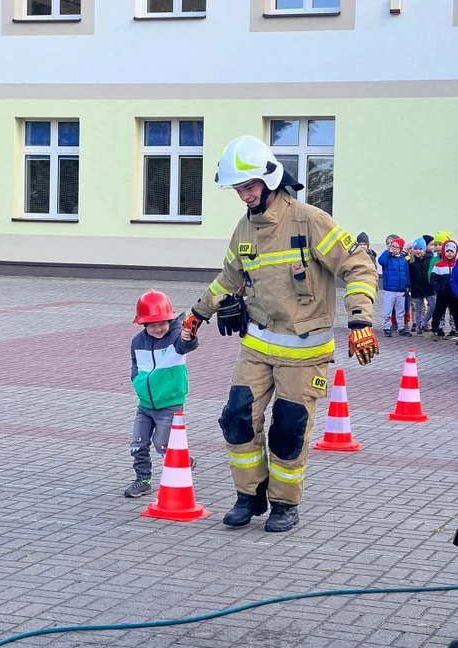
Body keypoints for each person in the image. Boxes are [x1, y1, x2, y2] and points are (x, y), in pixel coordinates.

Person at [181, 135, 379, 533]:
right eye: (238, 190)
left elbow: (359, 267)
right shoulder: (245, 228)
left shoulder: (309, 220)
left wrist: (360, 319)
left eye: (249, 187)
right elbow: (229, 277)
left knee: (289, 428)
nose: (243, 197)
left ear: (270, 180)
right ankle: (248, 496)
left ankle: (284, 504)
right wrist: (195, 314)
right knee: (236, 419)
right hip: (256, 347)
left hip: (305, 354)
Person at [125, 289, 198, 498]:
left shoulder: (176, 337)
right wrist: (137, 381)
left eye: (162, 323)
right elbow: (135, 365)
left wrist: (189, 337)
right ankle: (143, 480)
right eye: (153, 325)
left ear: (170, 320)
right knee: (138, 442)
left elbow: (187, 345)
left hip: (169, 403)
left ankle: (183, 461)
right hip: (145, 404)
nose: (158, 328)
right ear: (143, 324)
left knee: (163, 444)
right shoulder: (137, 342)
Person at [378, 238, 412, 337]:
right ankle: (386, 327)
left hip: (401, 290)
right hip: (390, 290)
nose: (393, 249)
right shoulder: (387, 258)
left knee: (400, 310)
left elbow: (406, 273)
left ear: (400, 249)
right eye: (391, 246)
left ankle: (401, 327)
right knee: (387, 310)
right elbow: (381, 261)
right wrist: (387, 252)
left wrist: (407, 285)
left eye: (395, 247)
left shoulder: (403, 260)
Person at [429, 231, 457, 337]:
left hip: (454, 294)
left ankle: (455, 330)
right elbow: (433, 278)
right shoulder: (438, 265)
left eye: (452, 251)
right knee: (438, 313)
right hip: (442, 294)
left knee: (455, 314)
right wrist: (438, 289)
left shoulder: (456, 265)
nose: (449, 253)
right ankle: (436, 330)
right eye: (447, 251)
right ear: (444, 252)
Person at [408, 237, 436, 335]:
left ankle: (424, 322)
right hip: (417, 288)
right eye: (415, 249)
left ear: (424, 249)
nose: (418, 251)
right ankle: (419, 326)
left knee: (433, 305)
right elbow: (409, 275)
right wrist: (410, 286)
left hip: (429, 288)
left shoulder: (430, 259)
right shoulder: (411, 262)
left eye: (420, 249)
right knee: (418, 309)